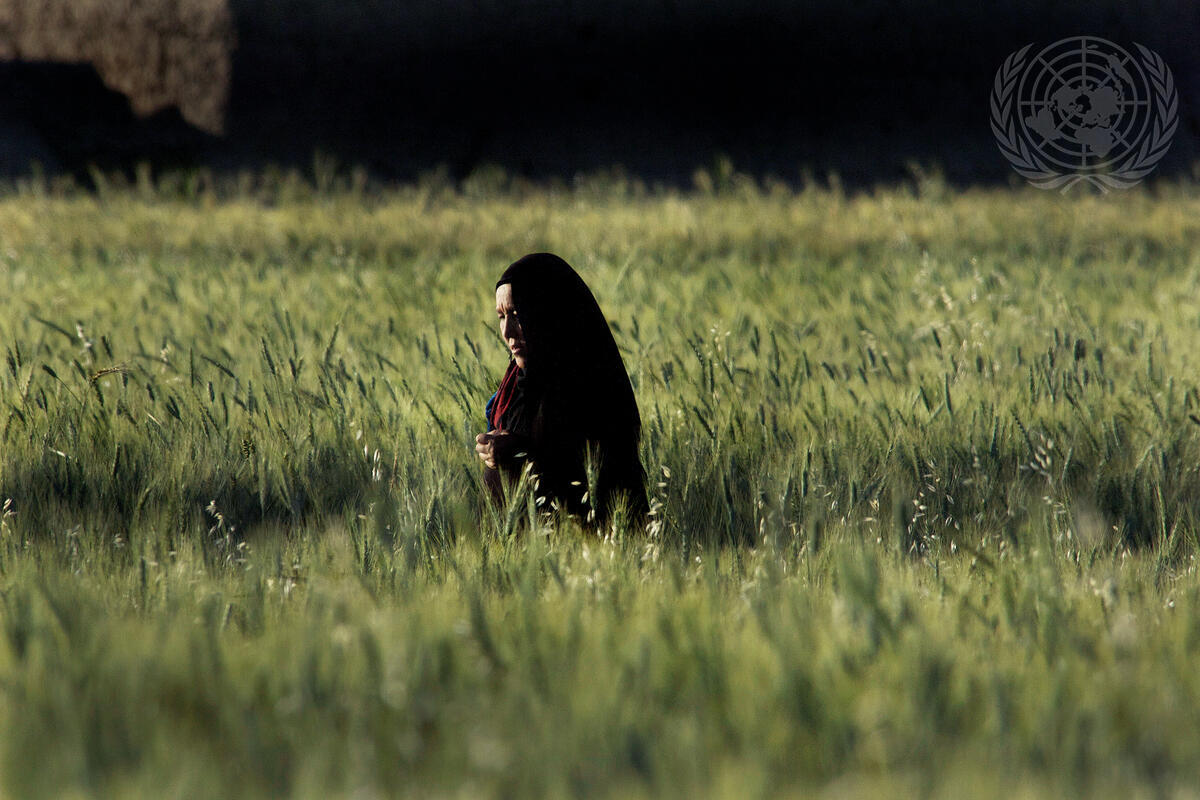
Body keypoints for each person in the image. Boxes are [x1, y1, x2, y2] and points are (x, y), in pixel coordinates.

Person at [475, 253, 648, 526]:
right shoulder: (515, 387)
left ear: (547, 312)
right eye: (501, 316)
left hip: (587, 556)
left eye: (518, 315)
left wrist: (517, 453)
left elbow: (590, 477)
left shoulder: (587, 384)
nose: (507, 331)